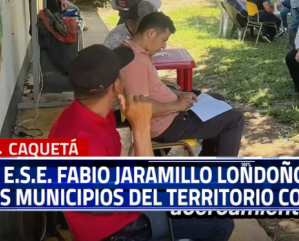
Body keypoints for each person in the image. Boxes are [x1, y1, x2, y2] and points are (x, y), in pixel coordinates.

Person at [49, 44, 235, 241]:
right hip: (113, 229)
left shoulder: (82, 114)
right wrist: (140, 125)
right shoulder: (85, 142)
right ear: (115, 86)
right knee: (220, 223)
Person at [120, 12, 245, 157]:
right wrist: (177, 105)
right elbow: (139, 107)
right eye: (163, 40)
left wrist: (178, 95)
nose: (164, 46)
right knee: (235, 119)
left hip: (169, 114)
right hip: (166, 124)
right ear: (151, 33)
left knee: (217, 99)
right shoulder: (135, 62)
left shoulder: (137, 51)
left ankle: (209, 163)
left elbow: (151, 90)